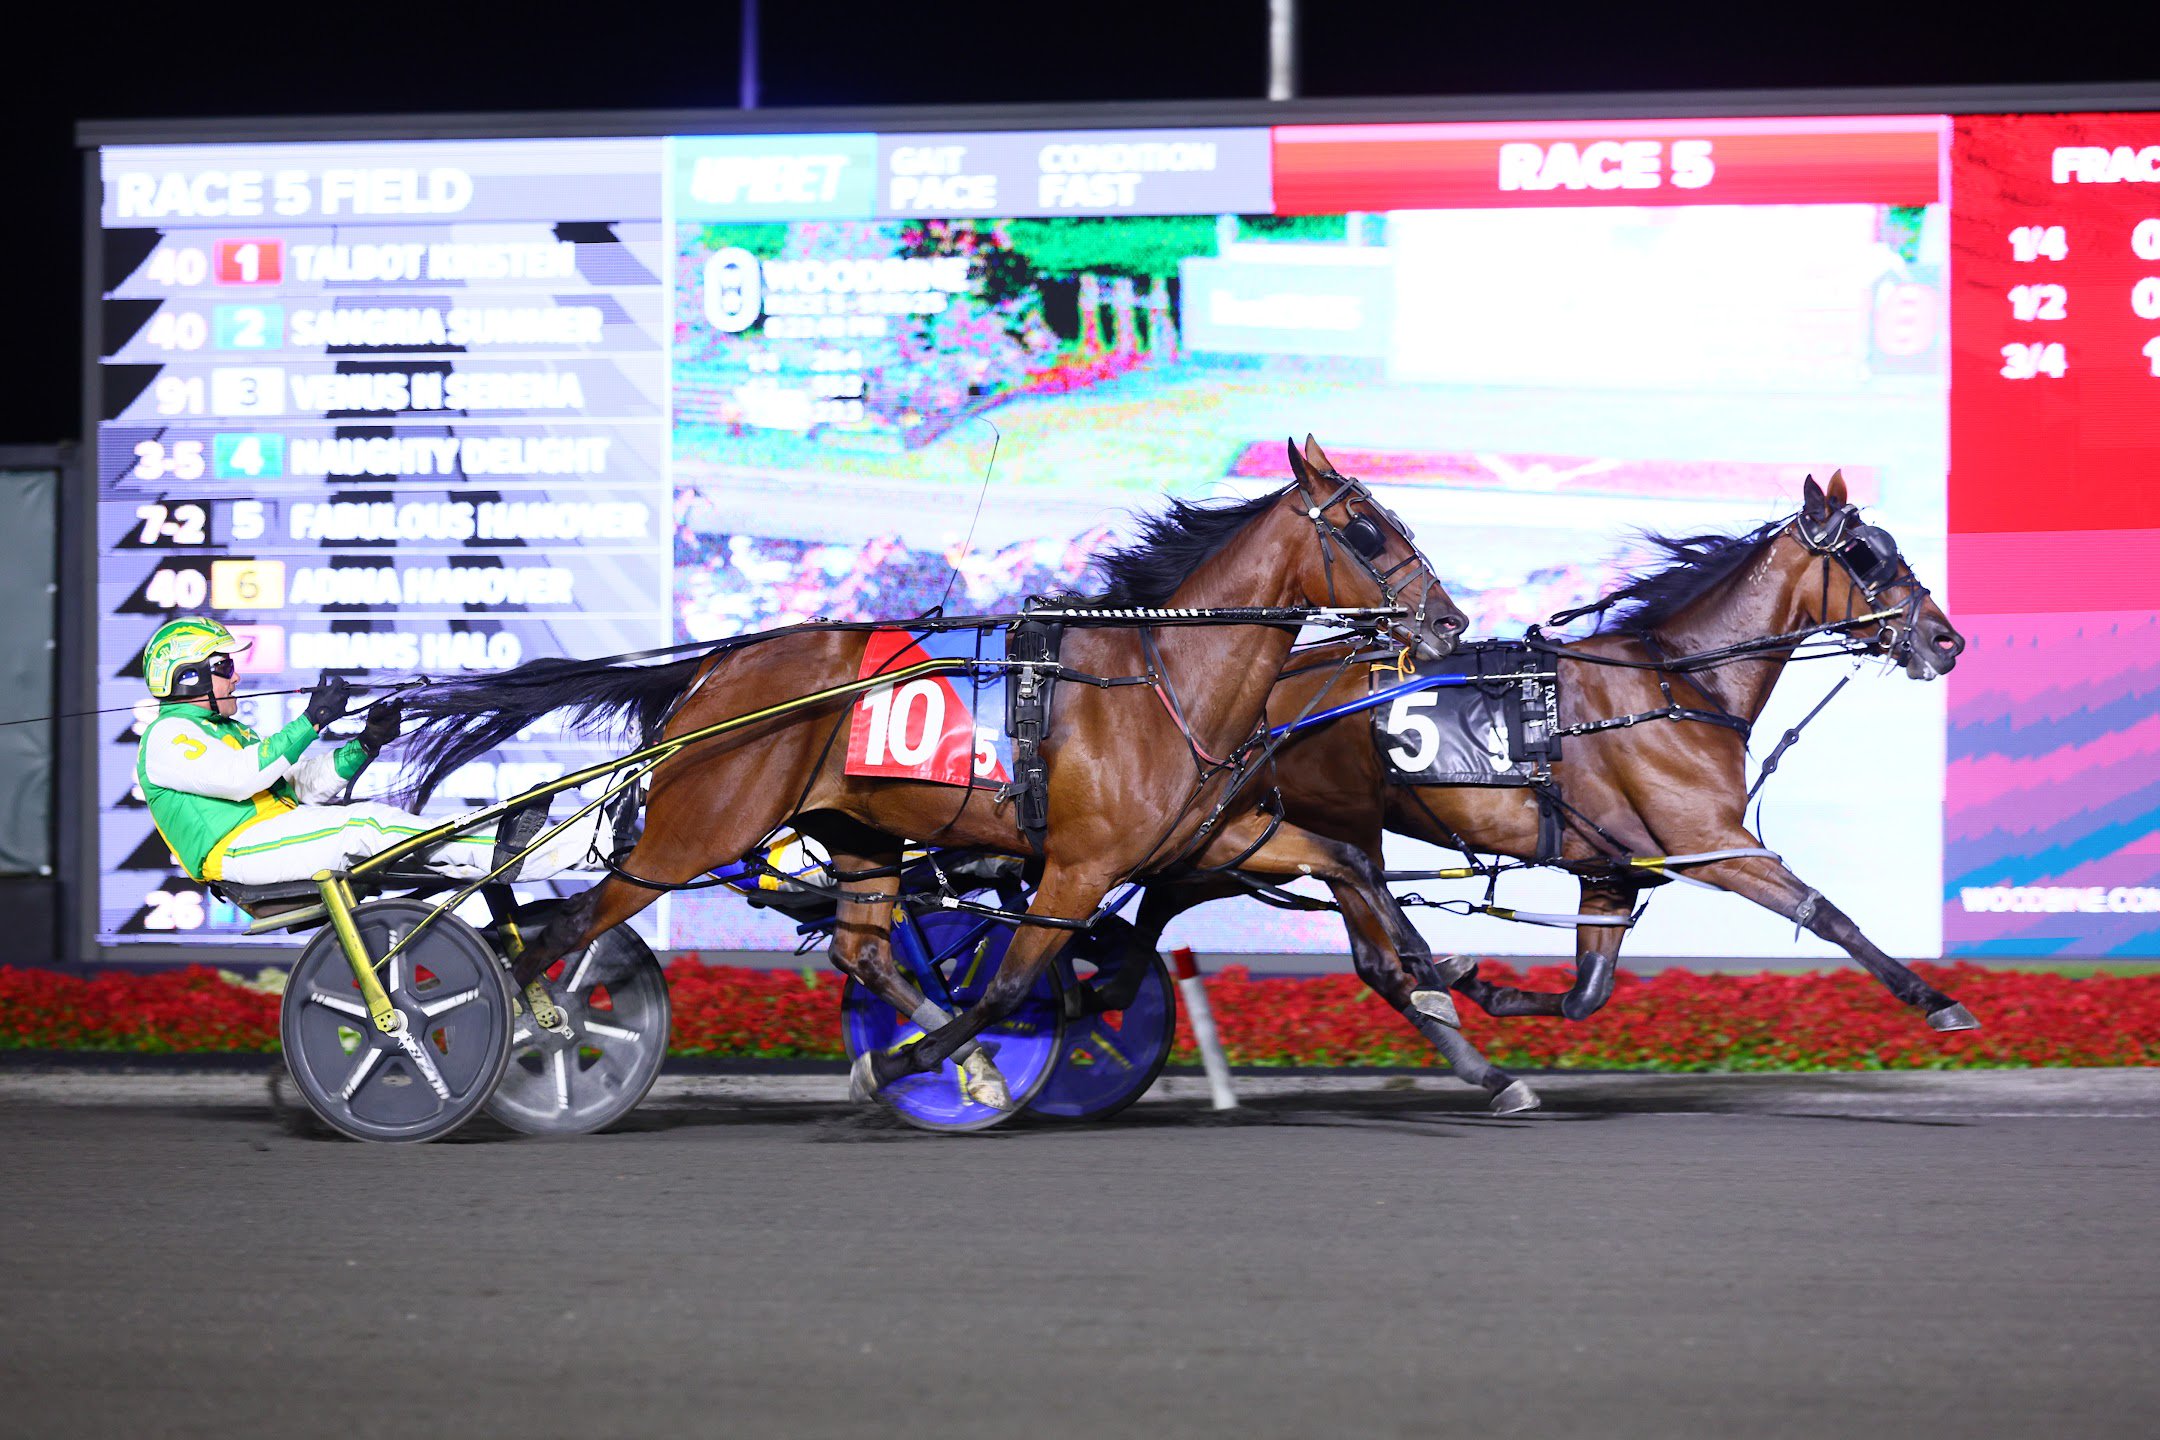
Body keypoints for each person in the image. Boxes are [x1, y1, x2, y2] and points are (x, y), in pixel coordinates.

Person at [135, 617, 605, 888]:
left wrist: (366, 743)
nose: (235, 676)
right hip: (236, 851)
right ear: (188, 677)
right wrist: (311, 721)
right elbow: (240, 778)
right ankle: (561, 848)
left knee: (404, 833)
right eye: (223, 666)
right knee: (367, 826)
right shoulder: (167, 736)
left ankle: (581, 846)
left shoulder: (226, 730)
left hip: (270, 836)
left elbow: (300, 786)